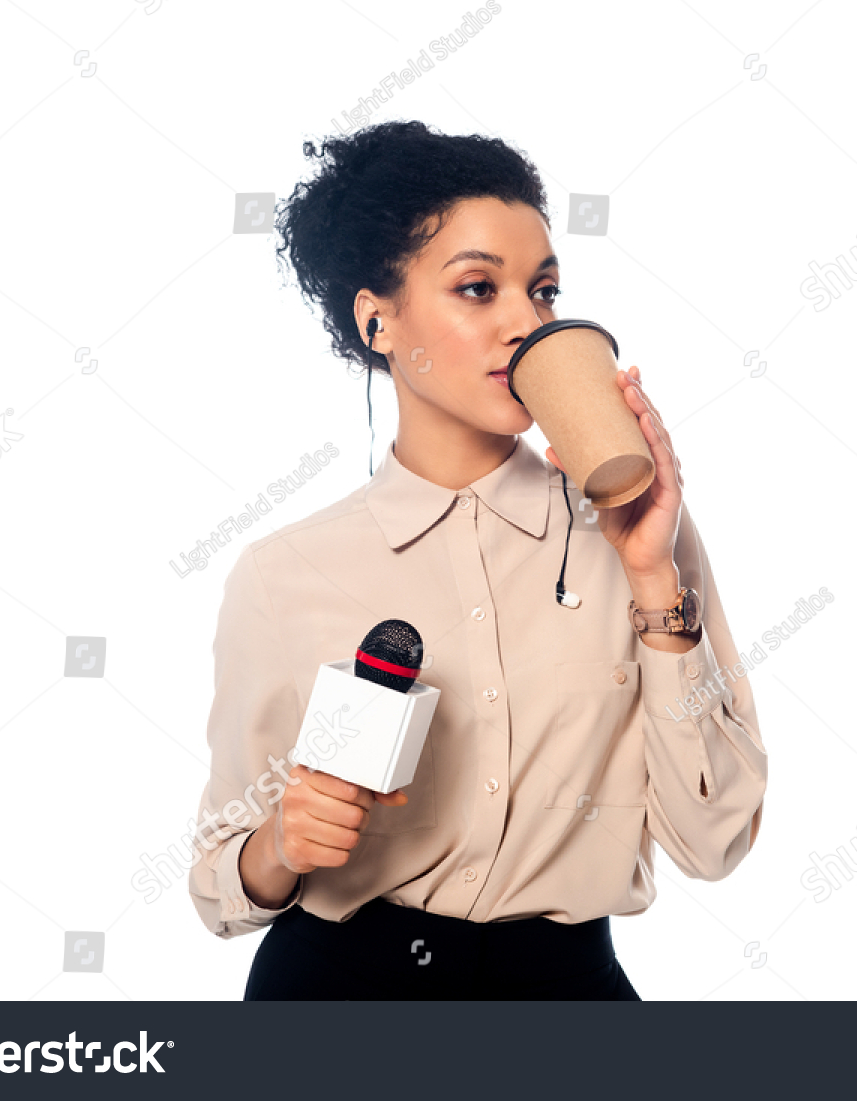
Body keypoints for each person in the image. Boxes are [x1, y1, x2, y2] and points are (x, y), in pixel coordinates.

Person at [188, 120, 768, 1000]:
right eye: (476, 288)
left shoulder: (636, 533)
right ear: (377, 320)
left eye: (543, 292)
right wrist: (279, 843)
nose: (524, 326)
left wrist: (653, 574)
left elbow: (714, 839)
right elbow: (221, 883)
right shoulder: (285, 574)